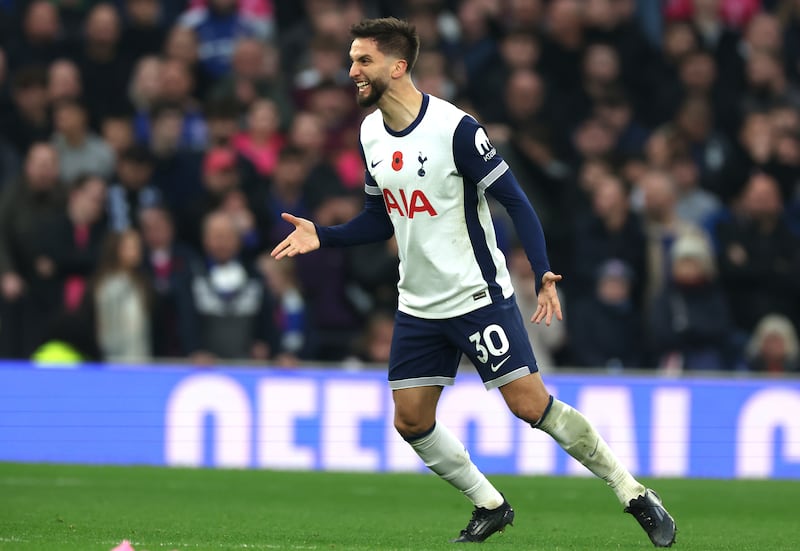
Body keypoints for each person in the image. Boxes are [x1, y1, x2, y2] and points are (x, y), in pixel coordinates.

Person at [271, 17, 676, 547]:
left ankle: (633, 493)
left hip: (476, 295)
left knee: (530, 406)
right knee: (411, 421)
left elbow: (516, 201)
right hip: (417, 304)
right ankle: (490, 503)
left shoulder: (456, 129)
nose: (352, 71)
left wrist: (543, 268)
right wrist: (323, 235)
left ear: (398, 66)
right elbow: (379, 218)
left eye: (362, 60)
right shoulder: (370, 133)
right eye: (351, 60)